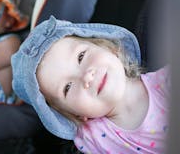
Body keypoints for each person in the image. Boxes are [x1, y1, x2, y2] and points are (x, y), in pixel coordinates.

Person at [12, 16, 170, 153]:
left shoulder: (166, 82)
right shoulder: (92, 139)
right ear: (75, 114)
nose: (86, 76)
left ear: (110, 48)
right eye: (67, 87)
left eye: (81, 57)